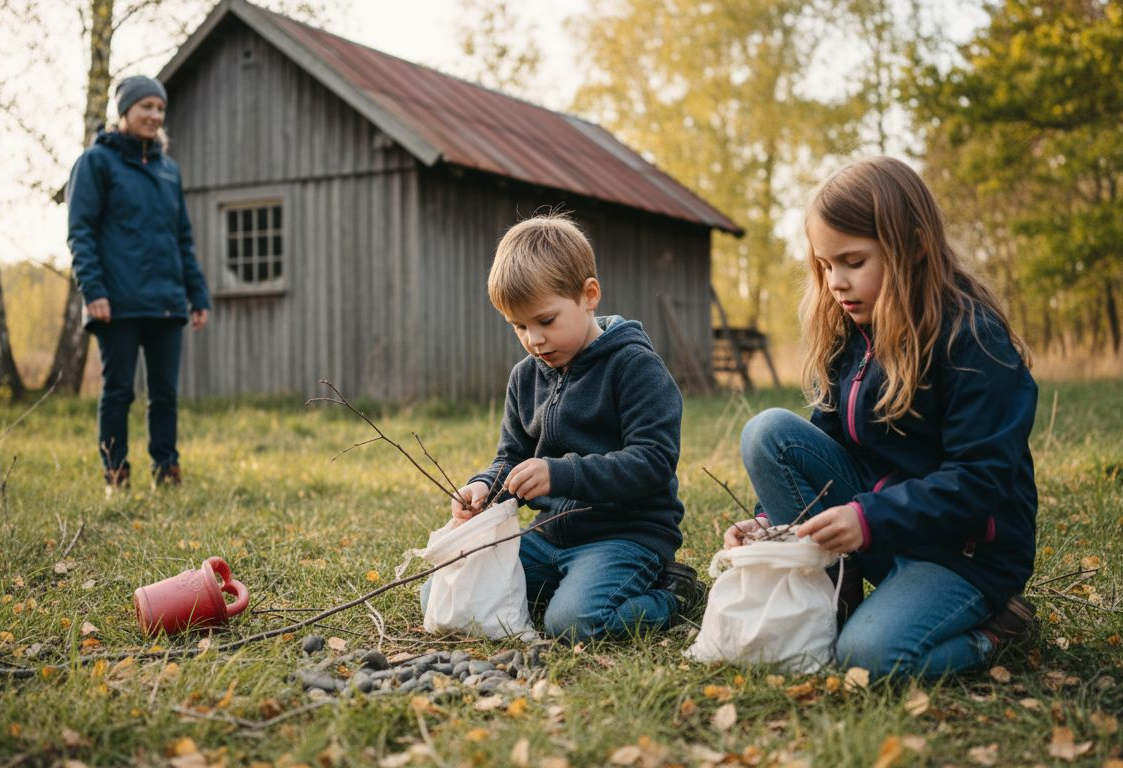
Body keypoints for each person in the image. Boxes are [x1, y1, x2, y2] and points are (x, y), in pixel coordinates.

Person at [724, 156, 1038, 679]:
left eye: (852, 261)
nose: (835, 283)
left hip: (961, 554)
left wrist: (869, 519)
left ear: (913, 246)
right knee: (768, 432)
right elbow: (819, 446)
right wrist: (769, 524)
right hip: (878, 532)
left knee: (867, 659)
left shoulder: (974, 342)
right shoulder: (852, 331)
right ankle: (835, 600)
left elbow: (980, 481)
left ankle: (993, 632)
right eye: (824, 266)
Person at [444, 213, 704, 642]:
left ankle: (672, 593)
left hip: (624, 537)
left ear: (589, 295)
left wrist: (559, 473)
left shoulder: (634, 367)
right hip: (548, 537)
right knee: (460, 593)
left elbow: (653, 461)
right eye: (519, 326)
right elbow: (512, 458)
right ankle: (563, 585)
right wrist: (483, 488)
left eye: (545, 321)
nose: (534, 340)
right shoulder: (525, 377)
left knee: (573, 623)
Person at [67, 75, 210, 493]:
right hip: (117, 301)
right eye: (146, 107)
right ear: (124, 111)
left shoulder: (168, 171)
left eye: (160, 109)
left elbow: (182, 238)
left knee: (165, 394)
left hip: (166, 301)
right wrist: (93, 291)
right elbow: (81, 232)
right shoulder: (96, 162)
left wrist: (196, 294)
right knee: (119, 392)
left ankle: (166, 473)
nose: (154, 115)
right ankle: (116, 477)